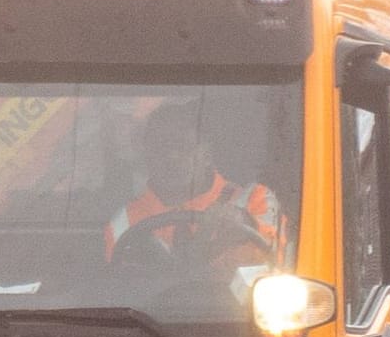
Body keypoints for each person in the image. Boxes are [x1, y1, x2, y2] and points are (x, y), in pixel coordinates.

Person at [104, 106, 281, 267]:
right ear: (146, 155)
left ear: (207, 154)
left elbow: (283, 258)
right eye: (160, 147)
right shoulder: (124, 223)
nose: (172, 156)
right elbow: (117, 288)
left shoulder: (254, 200)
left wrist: (246, 223)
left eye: (183, 146)